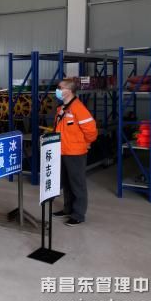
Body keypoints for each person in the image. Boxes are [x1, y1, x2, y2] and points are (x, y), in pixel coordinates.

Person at [52, 78, 98, 227]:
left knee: (77, 184)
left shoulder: (78, 108)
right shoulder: (62, 108)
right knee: (66, 182)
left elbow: (91, 130)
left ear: (69, 91)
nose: (57, 90)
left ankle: (78, 214)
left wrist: (86, 143)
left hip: (75, 153)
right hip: (62, 151)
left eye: (60, 88)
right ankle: (68, 209)